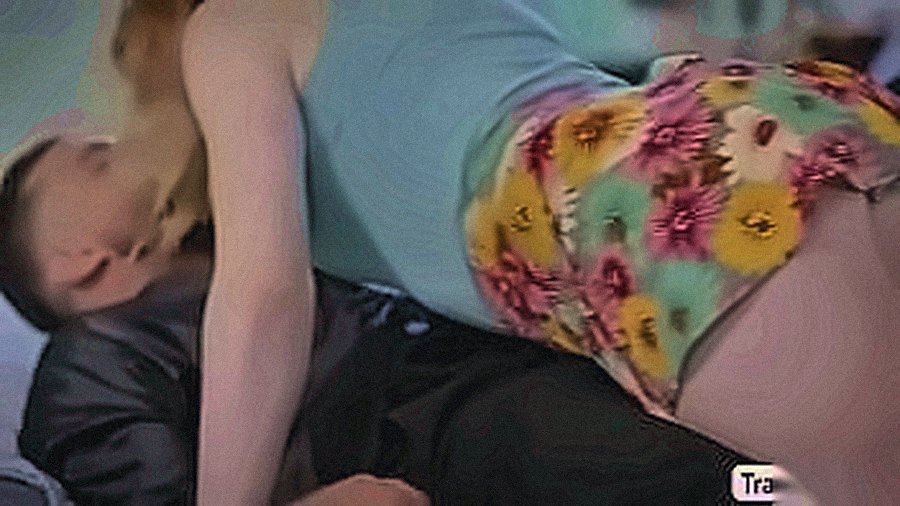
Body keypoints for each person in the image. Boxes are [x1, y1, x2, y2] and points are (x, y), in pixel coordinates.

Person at [171, 0, 900, 503]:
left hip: (641, 212)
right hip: (762, 112)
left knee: (802, 496)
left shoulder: (229, 28)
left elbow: (263, 295)